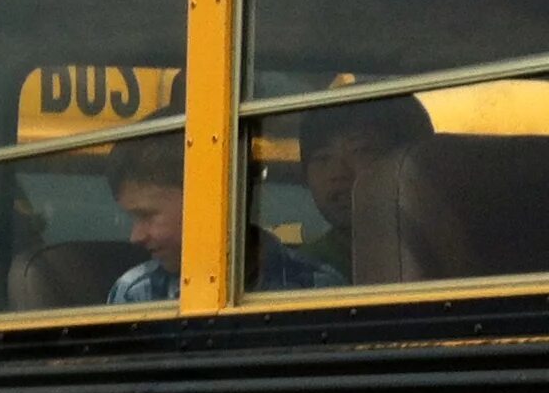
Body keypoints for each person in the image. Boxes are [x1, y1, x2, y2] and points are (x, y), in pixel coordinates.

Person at [107, 136, 344, 302]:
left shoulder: (317, 286)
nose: (135, 236)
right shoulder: (136, 292)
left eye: (146, 215)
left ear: (206, 201)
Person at [298, 93, 433, 279]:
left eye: (360, 150)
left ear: (412, 160)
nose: (337, 173)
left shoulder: (449, 247)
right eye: (322, 158)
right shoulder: (300, 273)